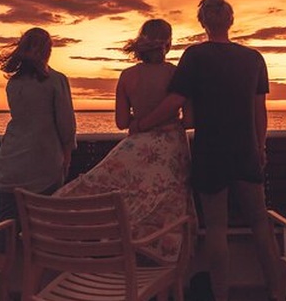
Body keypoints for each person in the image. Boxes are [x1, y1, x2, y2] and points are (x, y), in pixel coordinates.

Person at [135, 0, 286, 301]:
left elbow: (176, 101)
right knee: (260, 223)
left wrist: (143, 123)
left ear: (203, 23)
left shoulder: (195, 56)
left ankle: (221, 296)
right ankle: (279, 293)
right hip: (245, 150)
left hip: (210, 151)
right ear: (231, 21)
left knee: (216, 228)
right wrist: (260, 146)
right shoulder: (253, 58)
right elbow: (260, 110)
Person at [56, 19, 194, 262]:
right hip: (172, 148)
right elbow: (191, 119)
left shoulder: (128, 76)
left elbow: (121, 122)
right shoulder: (177, 74)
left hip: (136, 145)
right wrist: (171, 121)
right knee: (169, 206)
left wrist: (140, 120)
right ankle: (166, 268)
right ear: (168, 43)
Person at [0, 28, 77, 244]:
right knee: (47, 226)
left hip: (11, 161)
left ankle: (2, 275)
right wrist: (67, 154)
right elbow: (66, 124)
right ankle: (41, 272)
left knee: (5, 230)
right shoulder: (56, 80)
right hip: (43, 162)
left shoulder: (14, 83)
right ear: (48, 50)